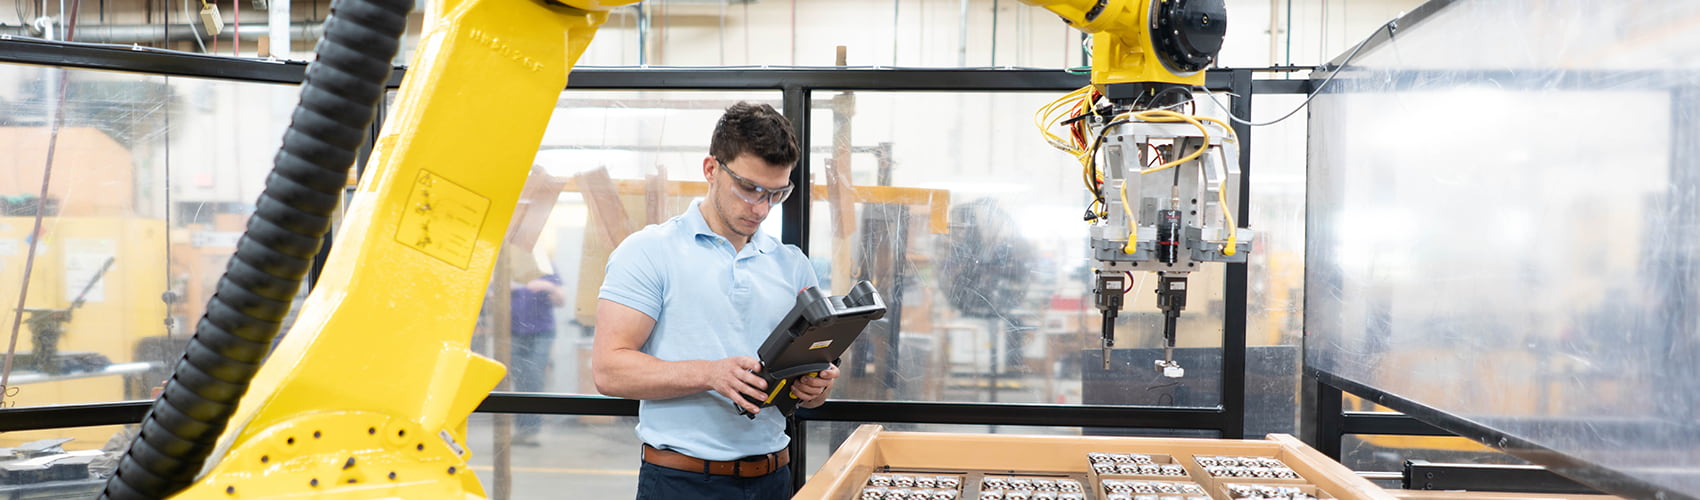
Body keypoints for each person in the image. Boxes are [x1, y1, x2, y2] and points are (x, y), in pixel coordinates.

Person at [593, 102, 835, 500]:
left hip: (775, 477)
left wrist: (816, 385)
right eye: (749, 188)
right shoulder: (649, 252)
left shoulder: (792, 265)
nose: (761, 208)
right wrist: (710, 374)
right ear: (711, 169)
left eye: (776, 194)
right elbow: (609, 370)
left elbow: (810, 378)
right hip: (681, 482)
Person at [510, 273, 563, 446]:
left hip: (541, 331)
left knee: (533, 377)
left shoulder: (546, 266)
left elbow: (561, 300)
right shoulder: (509, 263)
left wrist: (550, 287)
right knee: (519, 379)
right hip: (514, 331)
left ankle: (531, 430)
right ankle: (522, 429)